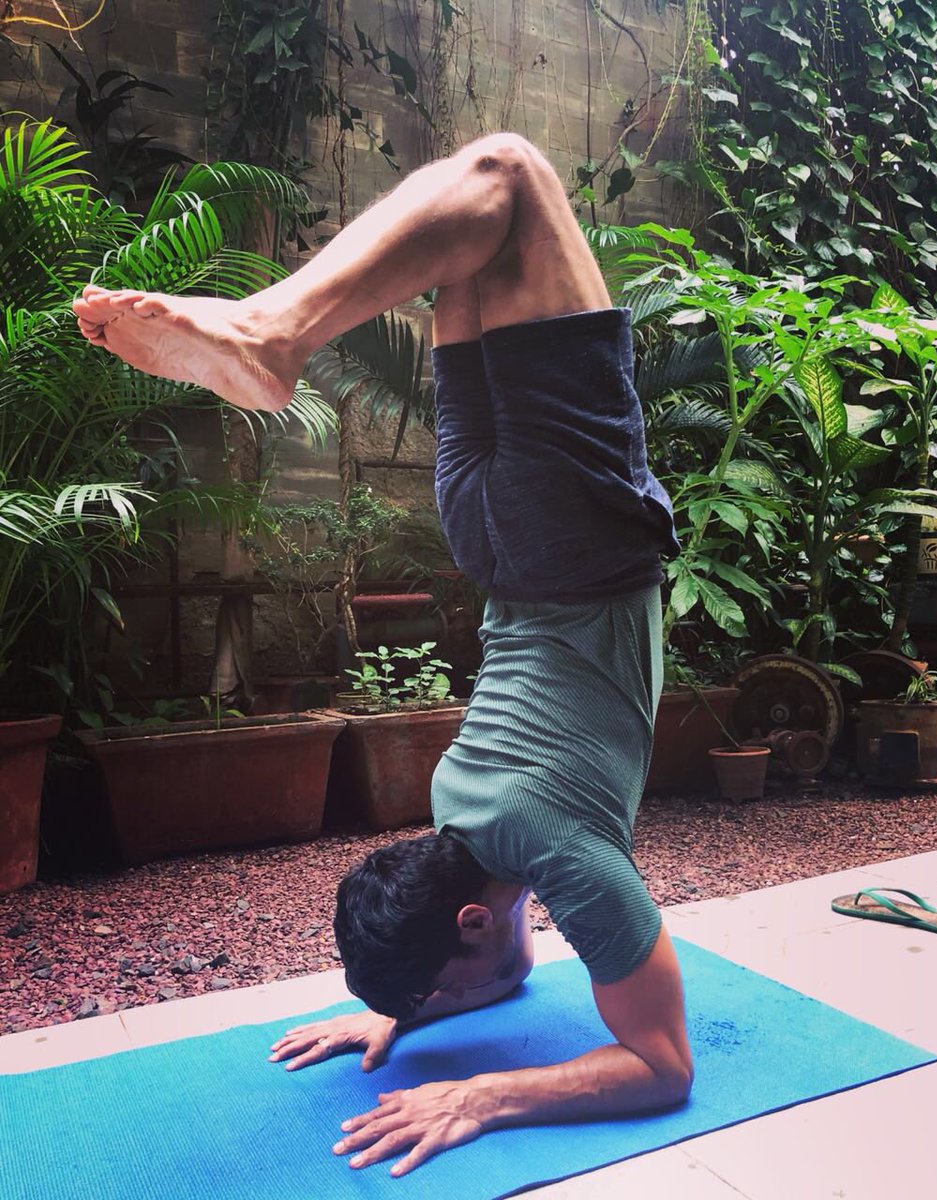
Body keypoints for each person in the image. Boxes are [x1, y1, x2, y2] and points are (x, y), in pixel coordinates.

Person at [74, 132, 693, 1179]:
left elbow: (663, 1061)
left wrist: (482, 1091)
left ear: (465, 916)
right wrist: (400, 1014)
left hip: (573, 536)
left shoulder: (563, 864)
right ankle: (272, 329)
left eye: (445, 988)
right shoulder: (457, 808)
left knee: (509, 176)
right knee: (469, 242)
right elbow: (505, 969)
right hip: (488, 539)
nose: (471, 997)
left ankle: (275, 330)